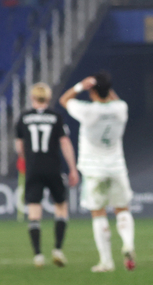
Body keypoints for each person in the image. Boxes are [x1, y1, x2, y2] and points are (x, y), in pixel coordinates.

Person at [59, 71, 136, 273]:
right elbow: (113, 98)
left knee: (98, 212)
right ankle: (128, 243)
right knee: (122, 208)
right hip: (117, 167)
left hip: (94, 169)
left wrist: (80, 86)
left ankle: (106, 261)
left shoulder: (87, 111)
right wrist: (105, 86)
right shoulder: (121, 108)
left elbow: (64, 99)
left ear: (92, 91)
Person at [15, 82, 79, 268]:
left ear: (32, 97)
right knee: (61, 207)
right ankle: (58, 249)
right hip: (53, 168)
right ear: (49, 98)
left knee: (34, 211)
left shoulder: (24, 117)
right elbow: (65, 143)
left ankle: (38, 255)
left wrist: (26, 159)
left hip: (33, 168)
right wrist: (73, 168)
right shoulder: (56, 117)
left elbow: (19, 147)